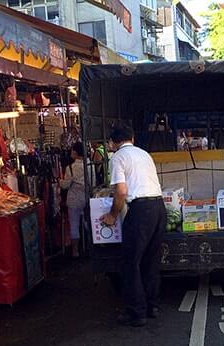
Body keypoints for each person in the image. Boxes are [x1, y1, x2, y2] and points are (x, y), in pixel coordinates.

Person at [101, 125, 166, 327]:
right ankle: (151, 305)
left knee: (130, 263)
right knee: (150, 260)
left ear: (113, 142)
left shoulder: (118, 157)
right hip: (158, 207)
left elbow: (121, 191)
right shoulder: (144, 154)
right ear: (132, 138)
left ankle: (136, 312)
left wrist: (112, 215)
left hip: (141, 211)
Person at [60, 143, 87, 258]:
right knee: (87, 223)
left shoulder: (70, 168)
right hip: (86, 198)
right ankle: (91, 246)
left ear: (75, 152)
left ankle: (75, 251)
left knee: (74, 225)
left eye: (72, 151)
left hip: (74, 200)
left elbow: (65, 185)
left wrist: (59, 181)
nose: (71, 153)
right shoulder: (89, 164)